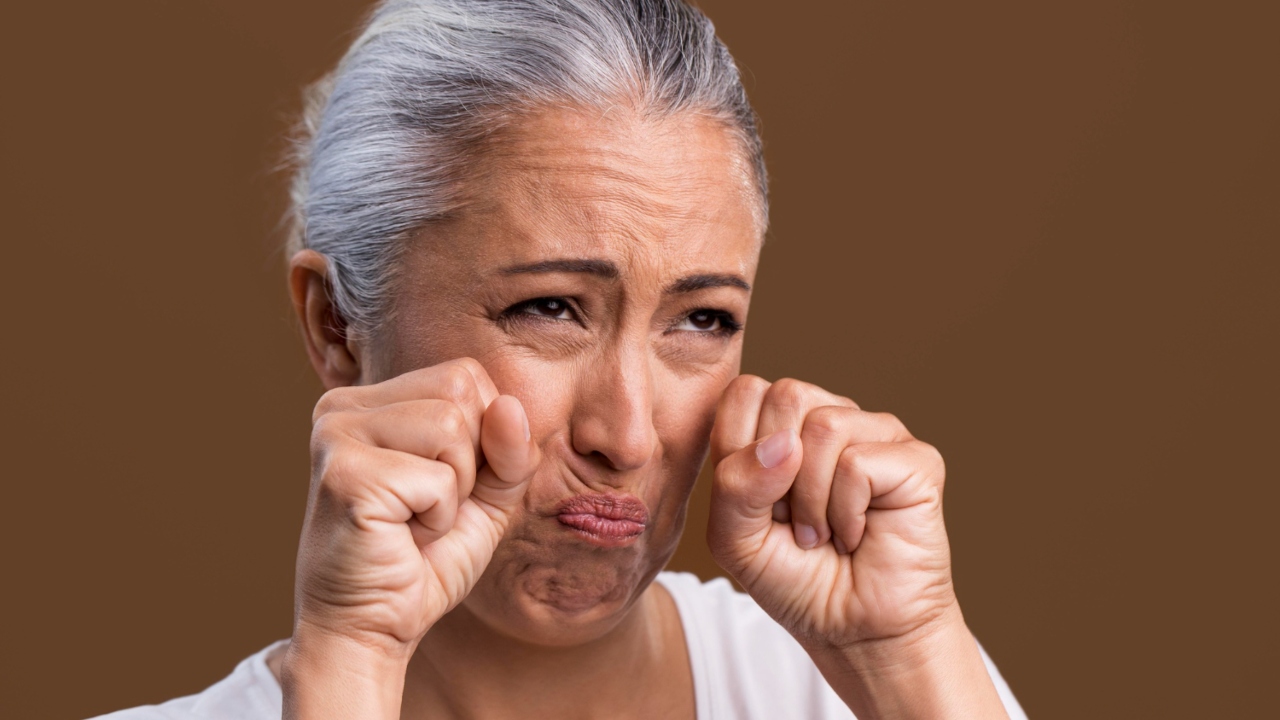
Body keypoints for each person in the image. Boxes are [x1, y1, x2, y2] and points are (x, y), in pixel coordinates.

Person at [97, 1, 1026, 718]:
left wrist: (906, 658)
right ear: (338, 324)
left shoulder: (850, 688)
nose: (625, 436)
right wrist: (353, 665)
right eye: (549, 309)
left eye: (701, 320)